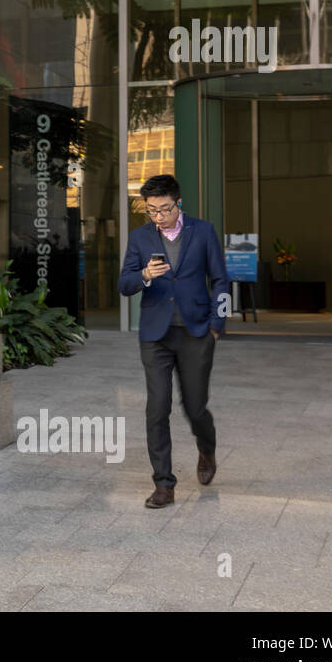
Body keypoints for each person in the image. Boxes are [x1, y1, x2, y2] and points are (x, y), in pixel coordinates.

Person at [118, 174, 229, 508]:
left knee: (195, 407)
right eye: (151, 210)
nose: (158, 216)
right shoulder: (139, 238)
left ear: (178, 203)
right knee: (157, 408)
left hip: (196, 332)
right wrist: (144, 276)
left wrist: (217, 324)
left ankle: (206, 448)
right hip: (156, 336)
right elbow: (124, 284)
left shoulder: (204, 231)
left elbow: (221, 279)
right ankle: (164, 484)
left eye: (164, 209)